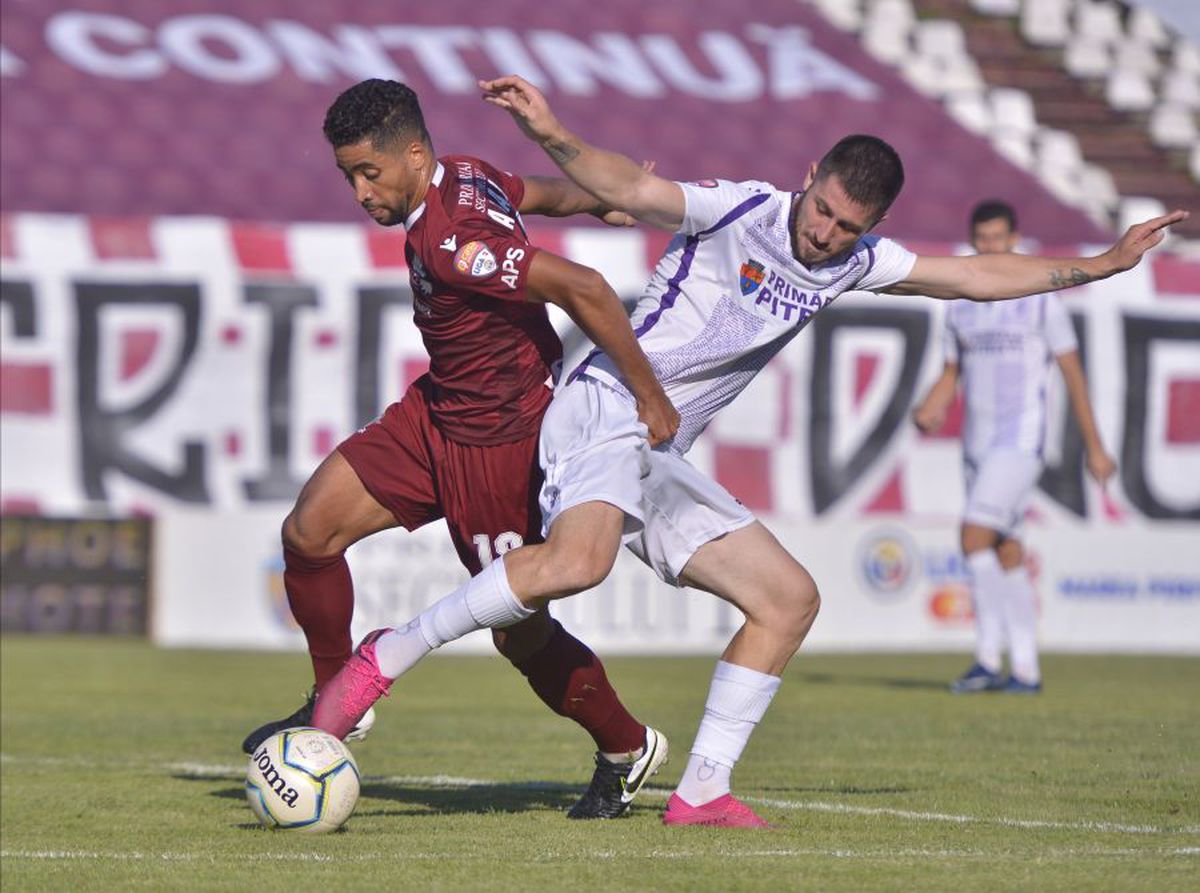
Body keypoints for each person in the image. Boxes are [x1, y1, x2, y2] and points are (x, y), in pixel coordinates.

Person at [310, 74, 1187, 827]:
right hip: (606, 403)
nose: (823, 235)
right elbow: (636, 189)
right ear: (808, 182)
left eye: (847, 227)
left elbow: (973, 275)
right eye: (823, 212)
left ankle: (701, 788)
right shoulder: (746, 209)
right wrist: (553, 135)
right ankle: (386, 656)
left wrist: (1101, 264)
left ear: (870, 226)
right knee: (578, 562)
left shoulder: (856, 262)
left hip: (657, 448)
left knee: (788, 600)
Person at [240, 78, 679, 821]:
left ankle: (628, 747)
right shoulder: (468, 175)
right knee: (309, 532)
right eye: (347, 173)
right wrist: (600, 201)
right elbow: (532, 192)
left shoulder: (453, 245)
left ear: (413, 155)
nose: (358, 192)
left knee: (519, 631)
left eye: (367, 173)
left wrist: (651, 395)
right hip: (437, 412)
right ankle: (336, 696)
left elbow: (587, 288)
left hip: (503, 443)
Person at [912, 200, 1117, 695]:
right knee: (1006, 549)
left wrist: (1095, 446)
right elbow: (952, 371)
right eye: (983, 240)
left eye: (1000, 239)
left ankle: (986, 658)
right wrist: (931, 405)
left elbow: (1072, 372)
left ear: (1015, 239)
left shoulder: (1042, 298)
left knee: (974, 537)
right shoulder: (962, 301)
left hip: (1021, 438)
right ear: (974, 242)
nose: (991, 248)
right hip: (975, 443)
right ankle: (1025, 669)